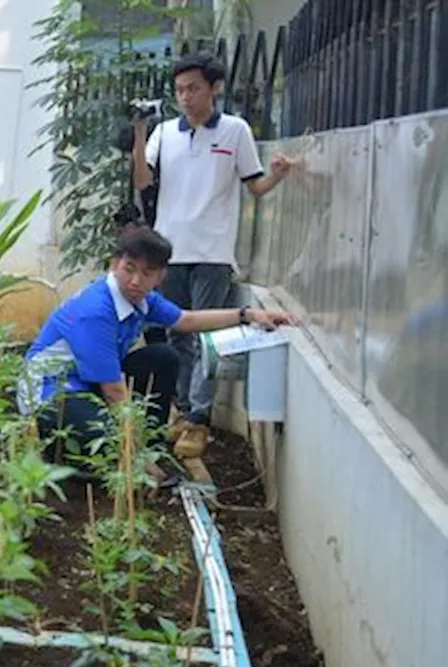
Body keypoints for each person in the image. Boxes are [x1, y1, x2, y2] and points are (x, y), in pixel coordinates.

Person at [20, 226, 295, 479]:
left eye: (147, 273)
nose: (136, 280)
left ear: (161, 276)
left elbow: (186, 320)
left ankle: (150, 446)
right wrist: (138, 459)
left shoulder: (142, 299)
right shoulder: (96, 310)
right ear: (114, 264)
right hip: (52, 391)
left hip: (88, 382)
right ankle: (103, 462)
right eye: (129, 269)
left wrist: (248, 314)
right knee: (101, 441)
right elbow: (114, 391)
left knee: (163, 357)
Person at [132, 53, 293, 458]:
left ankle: (199, 421)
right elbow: (142, 181)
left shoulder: (235, 131)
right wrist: (138, 134)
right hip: (171, 251)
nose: (185, 97)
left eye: (193, 88)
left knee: (206, 339)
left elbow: (255, 187)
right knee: (176, 335)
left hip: (214, 251)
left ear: (214, 89)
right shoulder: (165, 133)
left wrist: (278, 173)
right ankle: (184, 412)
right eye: (180, 90)